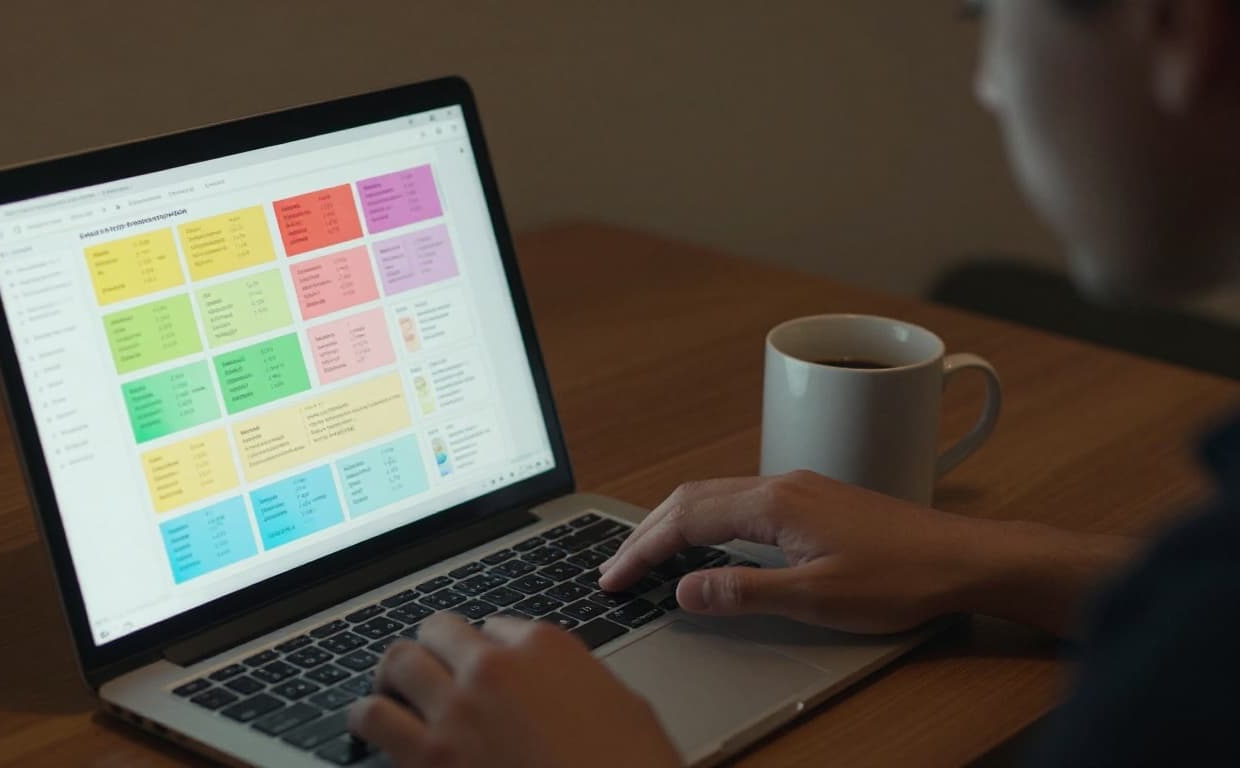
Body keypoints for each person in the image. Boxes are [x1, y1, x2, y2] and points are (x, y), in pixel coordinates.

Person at [346, 0, 1240, 765]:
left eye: (991, 15)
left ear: (1177, 26)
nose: (990, 85)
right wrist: (987, 560)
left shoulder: (1175, 680)